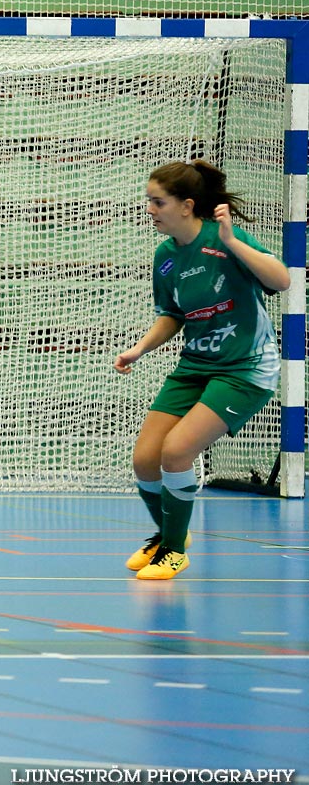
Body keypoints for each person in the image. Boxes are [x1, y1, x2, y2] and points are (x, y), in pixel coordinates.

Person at [113, 160, 289, 580]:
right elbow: (171, 315)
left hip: (244, 369)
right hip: (195, 365)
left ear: (187, 205)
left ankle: (173, 550)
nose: (150, 210)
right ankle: (169, 533)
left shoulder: (221, 239)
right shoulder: (166, 256)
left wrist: (233, 241)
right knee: (145, 460)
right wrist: (139, 349)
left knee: (176, 452)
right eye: (148, 201)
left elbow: (281, 280)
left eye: (158, 202)